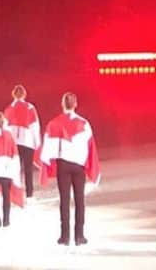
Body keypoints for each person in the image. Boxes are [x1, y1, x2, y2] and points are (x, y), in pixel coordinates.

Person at [37, 92, 100, 247]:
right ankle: (79, 236)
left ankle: (64, 237)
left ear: (62, 104)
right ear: (75, 104)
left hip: (63, 166)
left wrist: (48, 163)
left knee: (64, 200)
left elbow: (48, 148)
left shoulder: (54, 123)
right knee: (80, 200)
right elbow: (90, 147)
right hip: (78, 166)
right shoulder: (84, 124)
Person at [4, 84, 41, 200]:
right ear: (24, 94)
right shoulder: (30, 108)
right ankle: (29, 194)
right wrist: (37, 142)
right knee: (28, 169)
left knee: (15, 168)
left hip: (14, 143)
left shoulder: (9, 109)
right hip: (27, 141)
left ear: (13, 94)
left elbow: (5, 128)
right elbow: (35, 126)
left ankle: (13, 192)